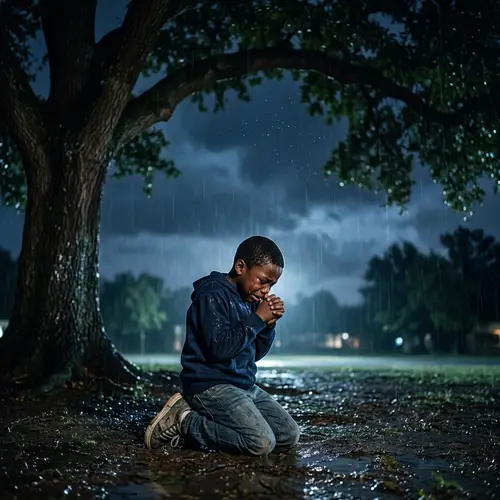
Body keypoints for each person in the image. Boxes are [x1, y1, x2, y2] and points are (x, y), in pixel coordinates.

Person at [144, 236, 300, 456]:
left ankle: (219, 424)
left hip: (243, 386)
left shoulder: (250, 301)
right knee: (261, 443)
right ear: (240, 267)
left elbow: (254, 354)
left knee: (288, 434)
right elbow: (219, 349)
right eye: (262, 280)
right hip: (210, 385)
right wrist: (257, 319)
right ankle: (184, 420)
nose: (266, 290)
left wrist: (268, 325)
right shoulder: (212, 295)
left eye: (271, 285)